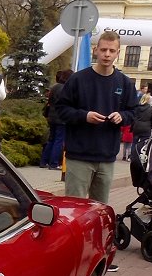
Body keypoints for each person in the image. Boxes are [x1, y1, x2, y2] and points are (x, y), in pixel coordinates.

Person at [54, 30, 137, 205]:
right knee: (74, 208)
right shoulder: (78, 79)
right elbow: (61, 109)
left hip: (106, 157)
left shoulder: (125, 83)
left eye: (112, 51)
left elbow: (133, 112)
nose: (107, 54)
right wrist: (85, 116)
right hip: (79, 156)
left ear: (118, 53)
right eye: (103, 49)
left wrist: (122, 116)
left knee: (99, 210)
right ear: (95, 50)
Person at [39, 68, 71, 170]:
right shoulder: (65, 89)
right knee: (59, 140)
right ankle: (53, 163)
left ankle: (43, 161)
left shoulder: (55, 87)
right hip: (61, 118)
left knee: (51, 139)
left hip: (52, 117)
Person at [131, 92, 152, 156]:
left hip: (136, 126)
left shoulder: (137, 107)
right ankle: (139, 156)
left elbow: (133, 116)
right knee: (144, 143)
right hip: (146, 128)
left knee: (134, 142)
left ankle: (132, 156)